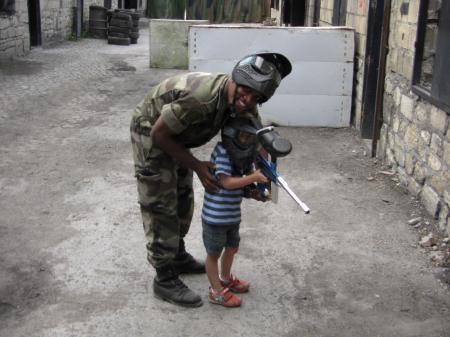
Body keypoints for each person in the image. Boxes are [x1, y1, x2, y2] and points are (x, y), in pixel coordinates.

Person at [130, 52, 292, 307]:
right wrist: (195, 165)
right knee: (161, 204)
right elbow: (159, 135)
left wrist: (262, 180)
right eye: (246, 91)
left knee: (183, 198)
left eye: (256, 97)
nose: (247, 100)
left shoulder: (246, 102)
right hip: (152, 132)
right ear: (238, 78)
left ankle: (178, 255)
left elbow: (255, 139)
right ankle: (164, 277)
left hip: (178, 137)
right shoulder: (200, 99)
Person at [202, 117, 268, 307]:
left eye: (250, 137)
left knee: (231, 248)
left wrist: (254, 192)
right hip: (215, 217)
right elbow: (227, 182)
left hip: (231, 216)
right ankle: (216, 292)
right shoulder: (223, 152)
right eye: (243, 136)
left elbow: (241, 186)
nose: (246, 141)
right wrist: (253, 177)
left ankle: (225, 279)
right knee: (213, 254)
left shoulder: (243, 156)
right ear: (231, 135)